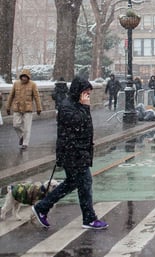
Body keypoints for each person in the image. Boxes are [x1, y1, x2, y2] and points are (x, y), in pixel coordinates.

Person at [32, 76, 108, 230]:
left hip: (78, 152)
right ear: (78, 91)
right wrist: (86, 107)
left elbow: (85, 127)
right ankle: (89, 218)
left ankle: (42, 207)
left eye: (88, 93)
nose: (87, 96)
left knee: (72, 183)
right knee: (85, 184)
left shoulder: (76, 105)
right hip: (72, 153)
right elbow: (77, 123)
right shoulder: (67, 106)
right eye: (85, 92)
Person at [6, 69, 42, 151]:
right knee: (16, 125)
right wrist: (8, 107)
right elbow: (11, 96)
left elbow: (37, 97)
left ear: (28, 77)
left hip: (28, 109)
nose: (24, 78)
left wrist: (39, 108)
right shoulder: (16, 84)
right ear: (21, 77)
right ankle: (22, 136)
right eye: (23, 77)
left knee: (27, 127)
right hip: (17, 108)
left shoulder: (33, 84)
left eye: (26, 77)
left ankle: (25, 143)